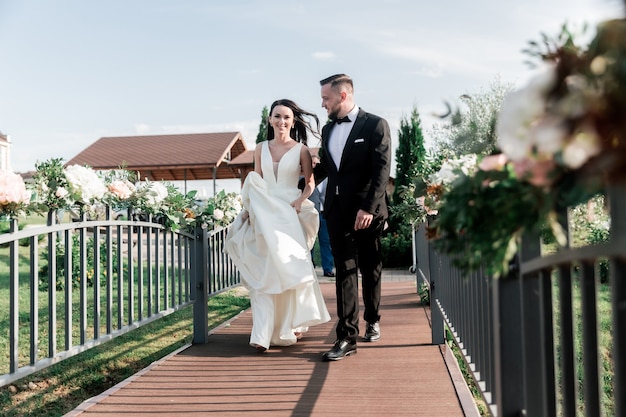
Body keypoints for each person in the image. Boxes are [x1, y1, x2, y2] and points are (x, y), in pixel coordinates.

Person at [224, 98, 331, 352]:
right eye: (277, 116)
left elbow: (310, 184)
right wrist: (249, 209)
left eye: (286, 117)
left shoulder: (302, 150)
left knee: (286, 269)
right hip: (263, 213)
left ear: (293, 122)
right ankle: (261, 334)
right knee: (264, 272)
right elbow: (256, 181)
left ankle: (290, 325)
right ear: (270, 120)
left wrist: (300, 201)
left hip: (287, 214)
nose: (281, 121)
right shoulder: (260, 148)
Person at [314, 74, 391, 361]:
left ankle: (373, 318)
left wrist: (368, 208)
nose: (323, 104)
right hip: (335, 210)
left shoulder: (375, 125)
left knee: (370, 268)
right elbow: (329, 167)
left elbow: (381, 171)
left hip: (368, 212)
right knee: (345, 270)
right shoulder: (327, 130)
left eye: (326, 98)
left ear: (343, 96)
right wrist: (298, 182)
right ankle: (347, 337)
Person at [308, 154, 335, 278]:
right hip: (310, 214)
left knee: (326, 241)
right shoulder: (305, 180)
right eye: (312, 163)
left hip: (324, 214)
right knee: (310, 242)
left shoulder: (327, 179)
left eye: (316, 163)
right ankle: (309, 267)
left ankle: (328, 269)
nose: (314, 166)